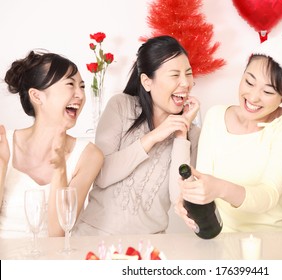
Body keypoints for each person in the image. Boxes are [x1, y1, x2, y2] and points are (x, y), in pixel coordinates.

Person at [176, 29, 282, 232]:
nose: (253, 96)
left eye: (267, 91)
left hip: (269, 246)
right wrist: (190, 198)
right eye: (249, 82)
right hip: (217, 242)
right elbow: (203, 182)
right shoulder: (216, 116)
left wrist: (219, 188)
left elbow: (268, 196)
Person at [73, 35, 201, 236]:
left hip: (149, 247)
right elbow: (101, 176)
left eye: (188, 73)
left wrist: (180, 134)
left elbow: (179, 197)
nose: (185, 83)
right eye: (175, 75)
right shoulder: (121, 106)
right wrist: (153, 137)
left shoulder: (191, 134)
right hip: (94, 238)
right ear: (147, 82)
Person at [0, 50, 104, 238]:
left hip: (49, 261)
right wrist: (1, 164)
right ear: (37, 96)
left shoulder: (89, 156)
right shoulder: (3, 143)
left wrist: (60, 170)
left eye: (81, 86)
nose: (80, 95)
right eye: (70, 85)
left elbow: (58, 235)